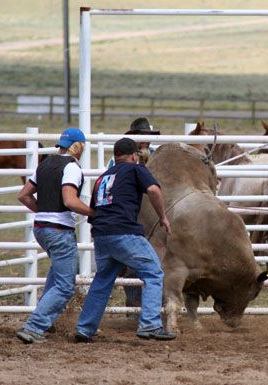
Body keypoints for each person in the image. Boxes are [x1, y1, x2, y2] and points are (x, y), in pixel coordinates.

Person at [74, 138, 175, 342]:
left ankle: (85, 328)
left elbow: (94, 210)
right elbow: (154, 190)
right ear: (134, 155)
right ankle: (150, 324)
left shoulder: (103, 177)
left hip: (101, 234)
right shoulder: (136, 169)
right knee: (154, 272)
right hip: (124, 231)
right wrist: (163, 217)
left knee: (103, 280)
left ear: (115, 155)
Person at [16, 128, 94, 344]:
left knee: (56, 277)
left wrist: (43, 210)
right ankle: (34, 326)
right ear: (79, 147)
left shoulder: (45, 164)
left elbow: (23, 195)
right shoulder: (72, 168)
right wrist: (93, 212)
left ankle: (45, 321)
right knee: (65, 285)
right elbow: (69, 201)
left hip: (41, 228)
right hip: (59, 231)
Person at [107, 117, 160, 310]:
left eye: (148, 136)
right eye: (142, 136)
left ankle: (152, 307)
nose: (146, 140)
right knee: (132, 263)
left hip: (150, 214)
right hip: (131, 214)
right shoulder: (118, 160)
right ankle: (137, 306)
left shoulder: (157, 156)